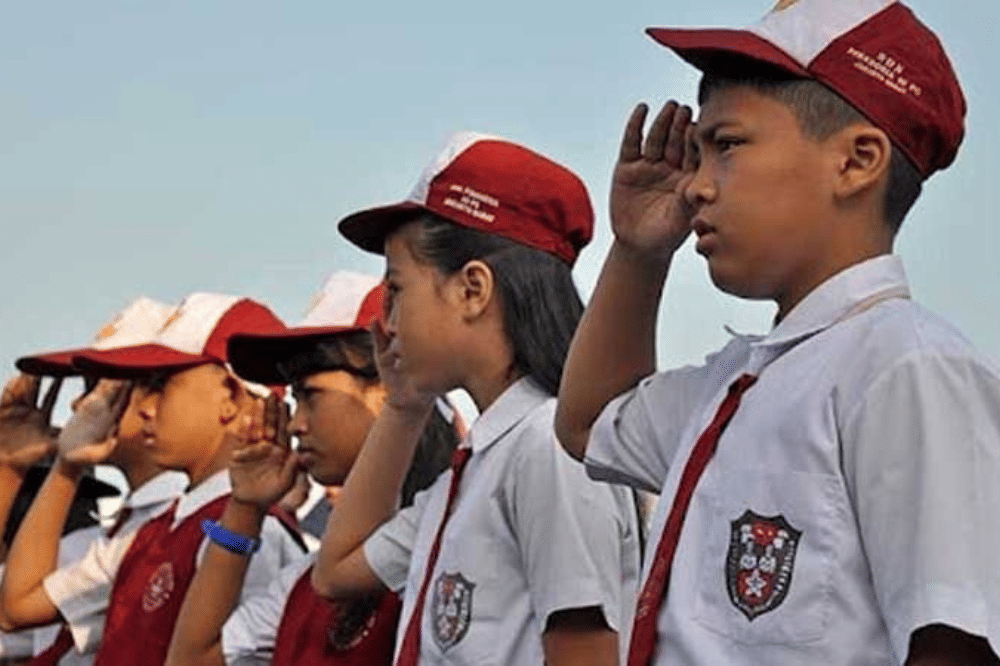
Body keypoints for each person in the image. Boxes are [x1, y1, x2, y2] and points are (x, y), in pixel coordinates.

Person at [554, 1, 1000, 664]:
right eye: (695, 154)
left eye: (727, 146)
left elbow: (951, 643)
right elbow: (589, 423)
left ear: (856, 161)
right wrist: (639, 253)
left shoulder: (908, 367)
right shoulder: (733, 383)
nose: (694, 188)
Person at [312, 133, 642, 665]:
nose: (385, 323)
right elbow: (336, 572)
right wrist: (402, 407)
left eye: (397, 290)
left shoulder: (546, 447)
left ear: (473, 290)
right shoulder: (477, 465)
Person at [164, 271, 459, 666]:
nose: (296, 423)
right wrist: (244, 510)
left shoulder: (450, 534)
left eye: (311, 396)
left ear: (388, 387)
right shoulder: (307, 580)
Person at [58, 293, 305, 666]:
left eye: (162, 384)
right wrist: (65, 464)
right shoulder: (162, 526)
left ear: (230, 394)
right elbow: (14, 610)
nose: (145, 407)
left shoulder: (258, 536)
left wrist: (242, 515)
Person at [0, 298, 188, 666]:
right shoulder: (125, 533)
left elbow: (236, 540)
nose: (79, 406)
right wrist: (8, 469)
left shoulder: (206, 521)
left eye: (102, 386)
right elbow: (12, 611)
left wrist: (68, 465)